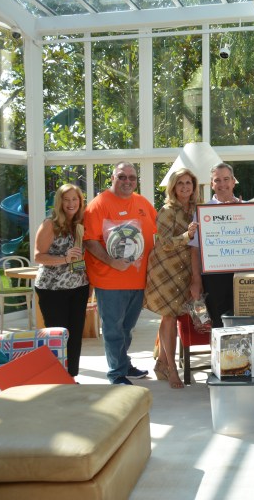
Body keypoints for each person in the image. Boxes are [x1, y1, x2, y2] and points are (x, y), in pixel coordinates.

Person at [84, 162, 157, 385]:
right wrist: (111, 262)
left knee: (127, 328)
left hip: (137, 279)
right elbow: (89, 241)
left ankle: (123, 364)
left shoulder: (142, 203)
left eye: (132, 178)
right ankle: (116, 373)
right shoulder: (98, 205)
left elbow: (158, 232)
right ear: (112, 178)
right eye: (122, 177)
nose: (127, 181)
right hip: (110, 280)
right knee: (113, 329)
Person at [144, 168, 199, 389]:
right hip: (165, 271)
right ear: (173, 187)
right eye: (180, 184)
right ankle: (172, 370)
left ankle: (161, 363)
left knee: (172, 316)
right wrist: (188, 235)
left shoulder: (197, 209)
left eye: (188, 183)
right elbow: (164, 243)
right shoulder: (167, 210)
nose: (185, 187)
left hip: (185, 270)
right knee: (169, 317)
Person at [33, 184, 90, 378]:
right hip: (53, 290)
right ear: (60, 202)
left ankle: (70, 377)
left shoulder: (80, 224)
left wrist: (88, 284)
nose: (71, 203)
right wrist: (64, 259)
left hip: (79, 287)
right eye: (67, 199)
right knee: (57, 336)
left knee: (74, 336)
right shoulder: (50, 224)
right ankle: (56, 378)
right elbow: (38, 256)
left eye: (75, 199)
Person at [189, 163, 241, 328]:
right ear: (212, 184)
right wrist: (196, 280)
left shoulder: (247, 207)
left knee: (243, 321)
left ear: (233, 182)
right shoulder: (202, 212)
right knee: (218, 324)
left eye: (226, 179)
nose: (222, 184)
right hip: (214, 277)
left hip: (243, 275)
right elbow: (195, 250)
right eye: (217, 180)